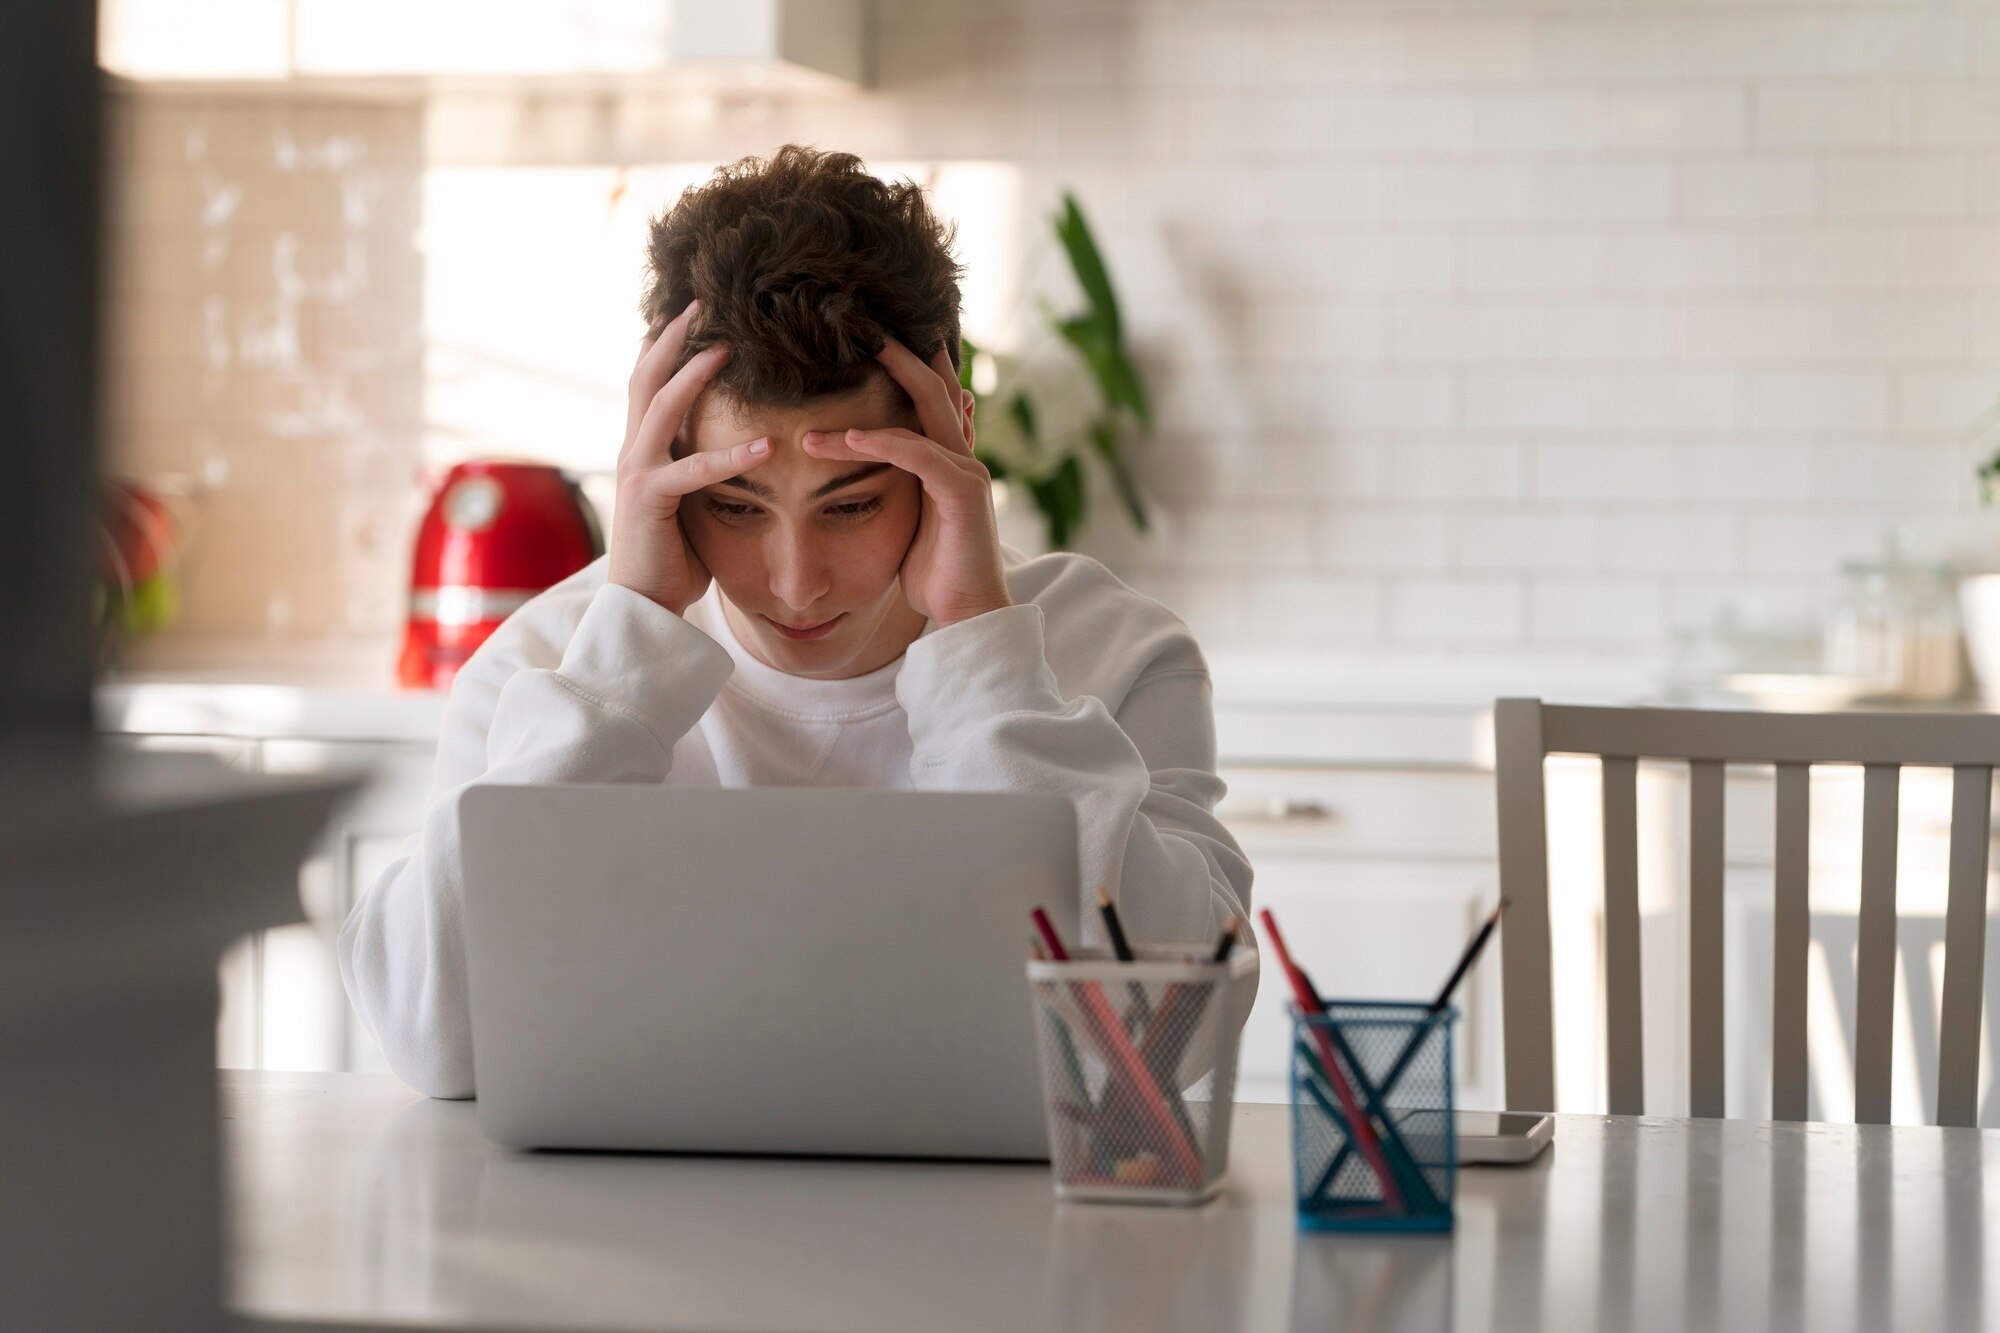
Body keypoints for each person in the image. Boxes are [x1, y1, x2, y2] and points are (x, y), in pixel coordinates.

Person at [339, 145, 1253, 1099]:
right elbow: (427, 1035)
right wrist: (629, 652)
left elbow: (1165, 1044)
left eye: (851, 505)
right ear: (660, 464)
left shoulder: (1117, 653)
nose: (797, 583)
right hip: (638, 1235)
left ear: (952, 446)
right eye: (734, 505)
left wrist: (983, 650)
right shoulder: (553, 662)